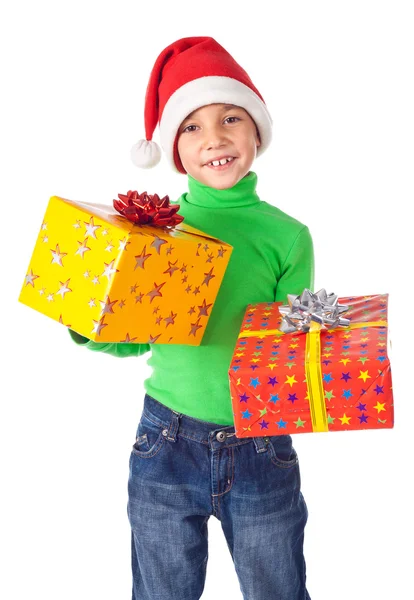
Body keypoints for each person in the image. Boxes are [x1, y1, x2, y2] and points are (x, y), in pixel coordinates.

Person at [69, 36, 314, 600]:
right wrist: (91, 322)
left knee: (277, 588)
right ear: (174, 150)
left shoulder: (288, 236)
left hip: (260, 444)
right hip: (166, 438)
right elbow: (136, 338)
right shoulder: (161, 232)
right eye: (192, 127)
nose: (216, 138)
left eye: (231, 118)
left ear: (257, 132)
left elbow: (290, 345)